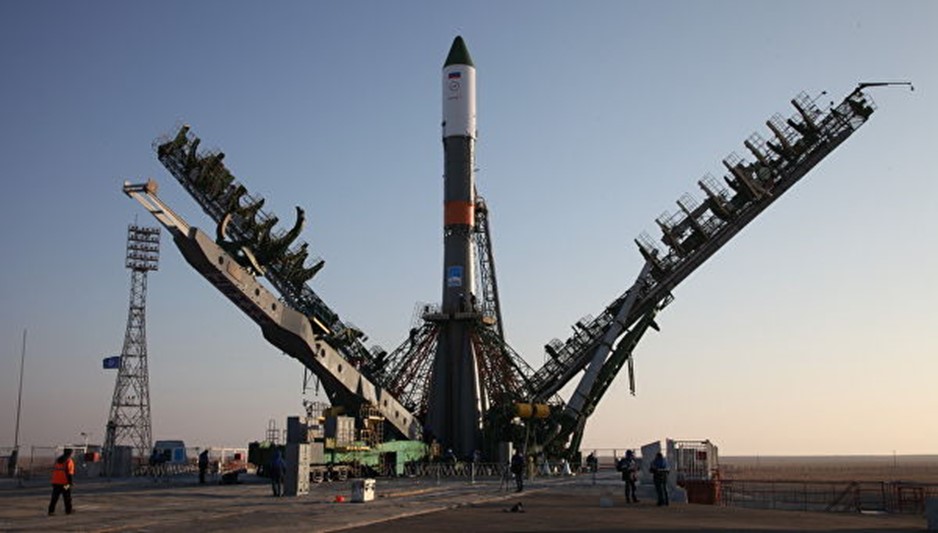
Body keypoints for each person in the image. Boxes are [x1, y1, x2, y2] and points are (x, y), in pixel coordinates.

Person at [48, 448, 75, 516]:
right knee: (67, 497)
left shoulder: (57, 460)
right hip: (65, 483)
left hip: (56, 482)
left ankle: (51, 511)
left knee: (54, 497)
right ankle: (68, 510)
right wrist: (70, 483)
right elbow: (69, 474)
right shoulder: (69, 461)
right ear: (70, 453)